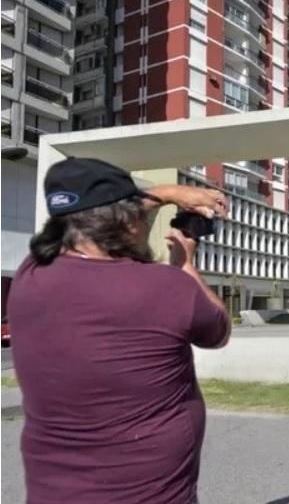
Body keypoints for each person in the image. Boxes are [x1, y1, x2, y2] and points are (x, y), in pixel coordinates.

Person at [9, 156, 231, 503]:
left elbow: (95, 211)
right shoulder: (167, 287)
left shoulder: (31, 275)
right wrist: (185, 265)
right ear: (128, 222)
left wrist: (170, 193)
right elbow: (218, 330)